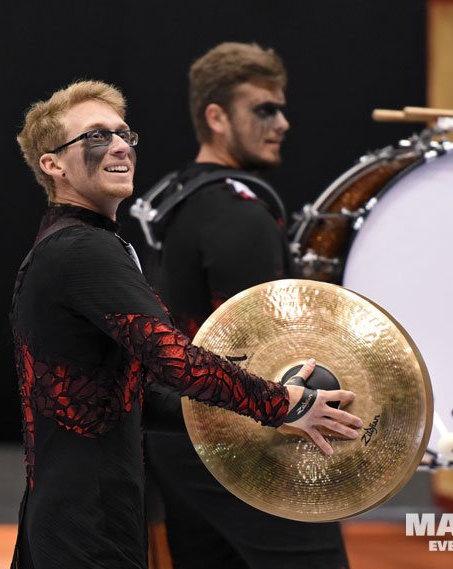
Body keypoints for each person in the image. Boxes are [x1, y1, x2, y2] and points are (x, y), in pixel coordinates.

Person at [10, 79, 362, 569]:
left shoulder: (70, 243)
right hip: (84, 524)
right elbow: (174, 360)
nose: (118, 146)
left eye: (123, 135)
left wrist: (249, 418)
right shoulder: (83, 250)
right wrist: (283, 403)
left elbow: (134, 396)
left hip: (74, 515)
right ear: (53, 164)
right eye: (94, 136)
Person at [138, 43, 352, 569]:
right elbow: (269, 352)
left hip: (175, 434)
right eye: (263, 109)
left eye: (281, 108)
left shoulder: (169, 197)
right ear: (216, 117)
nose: (282, 122)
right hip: (238, 442)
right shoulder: (241, 215)